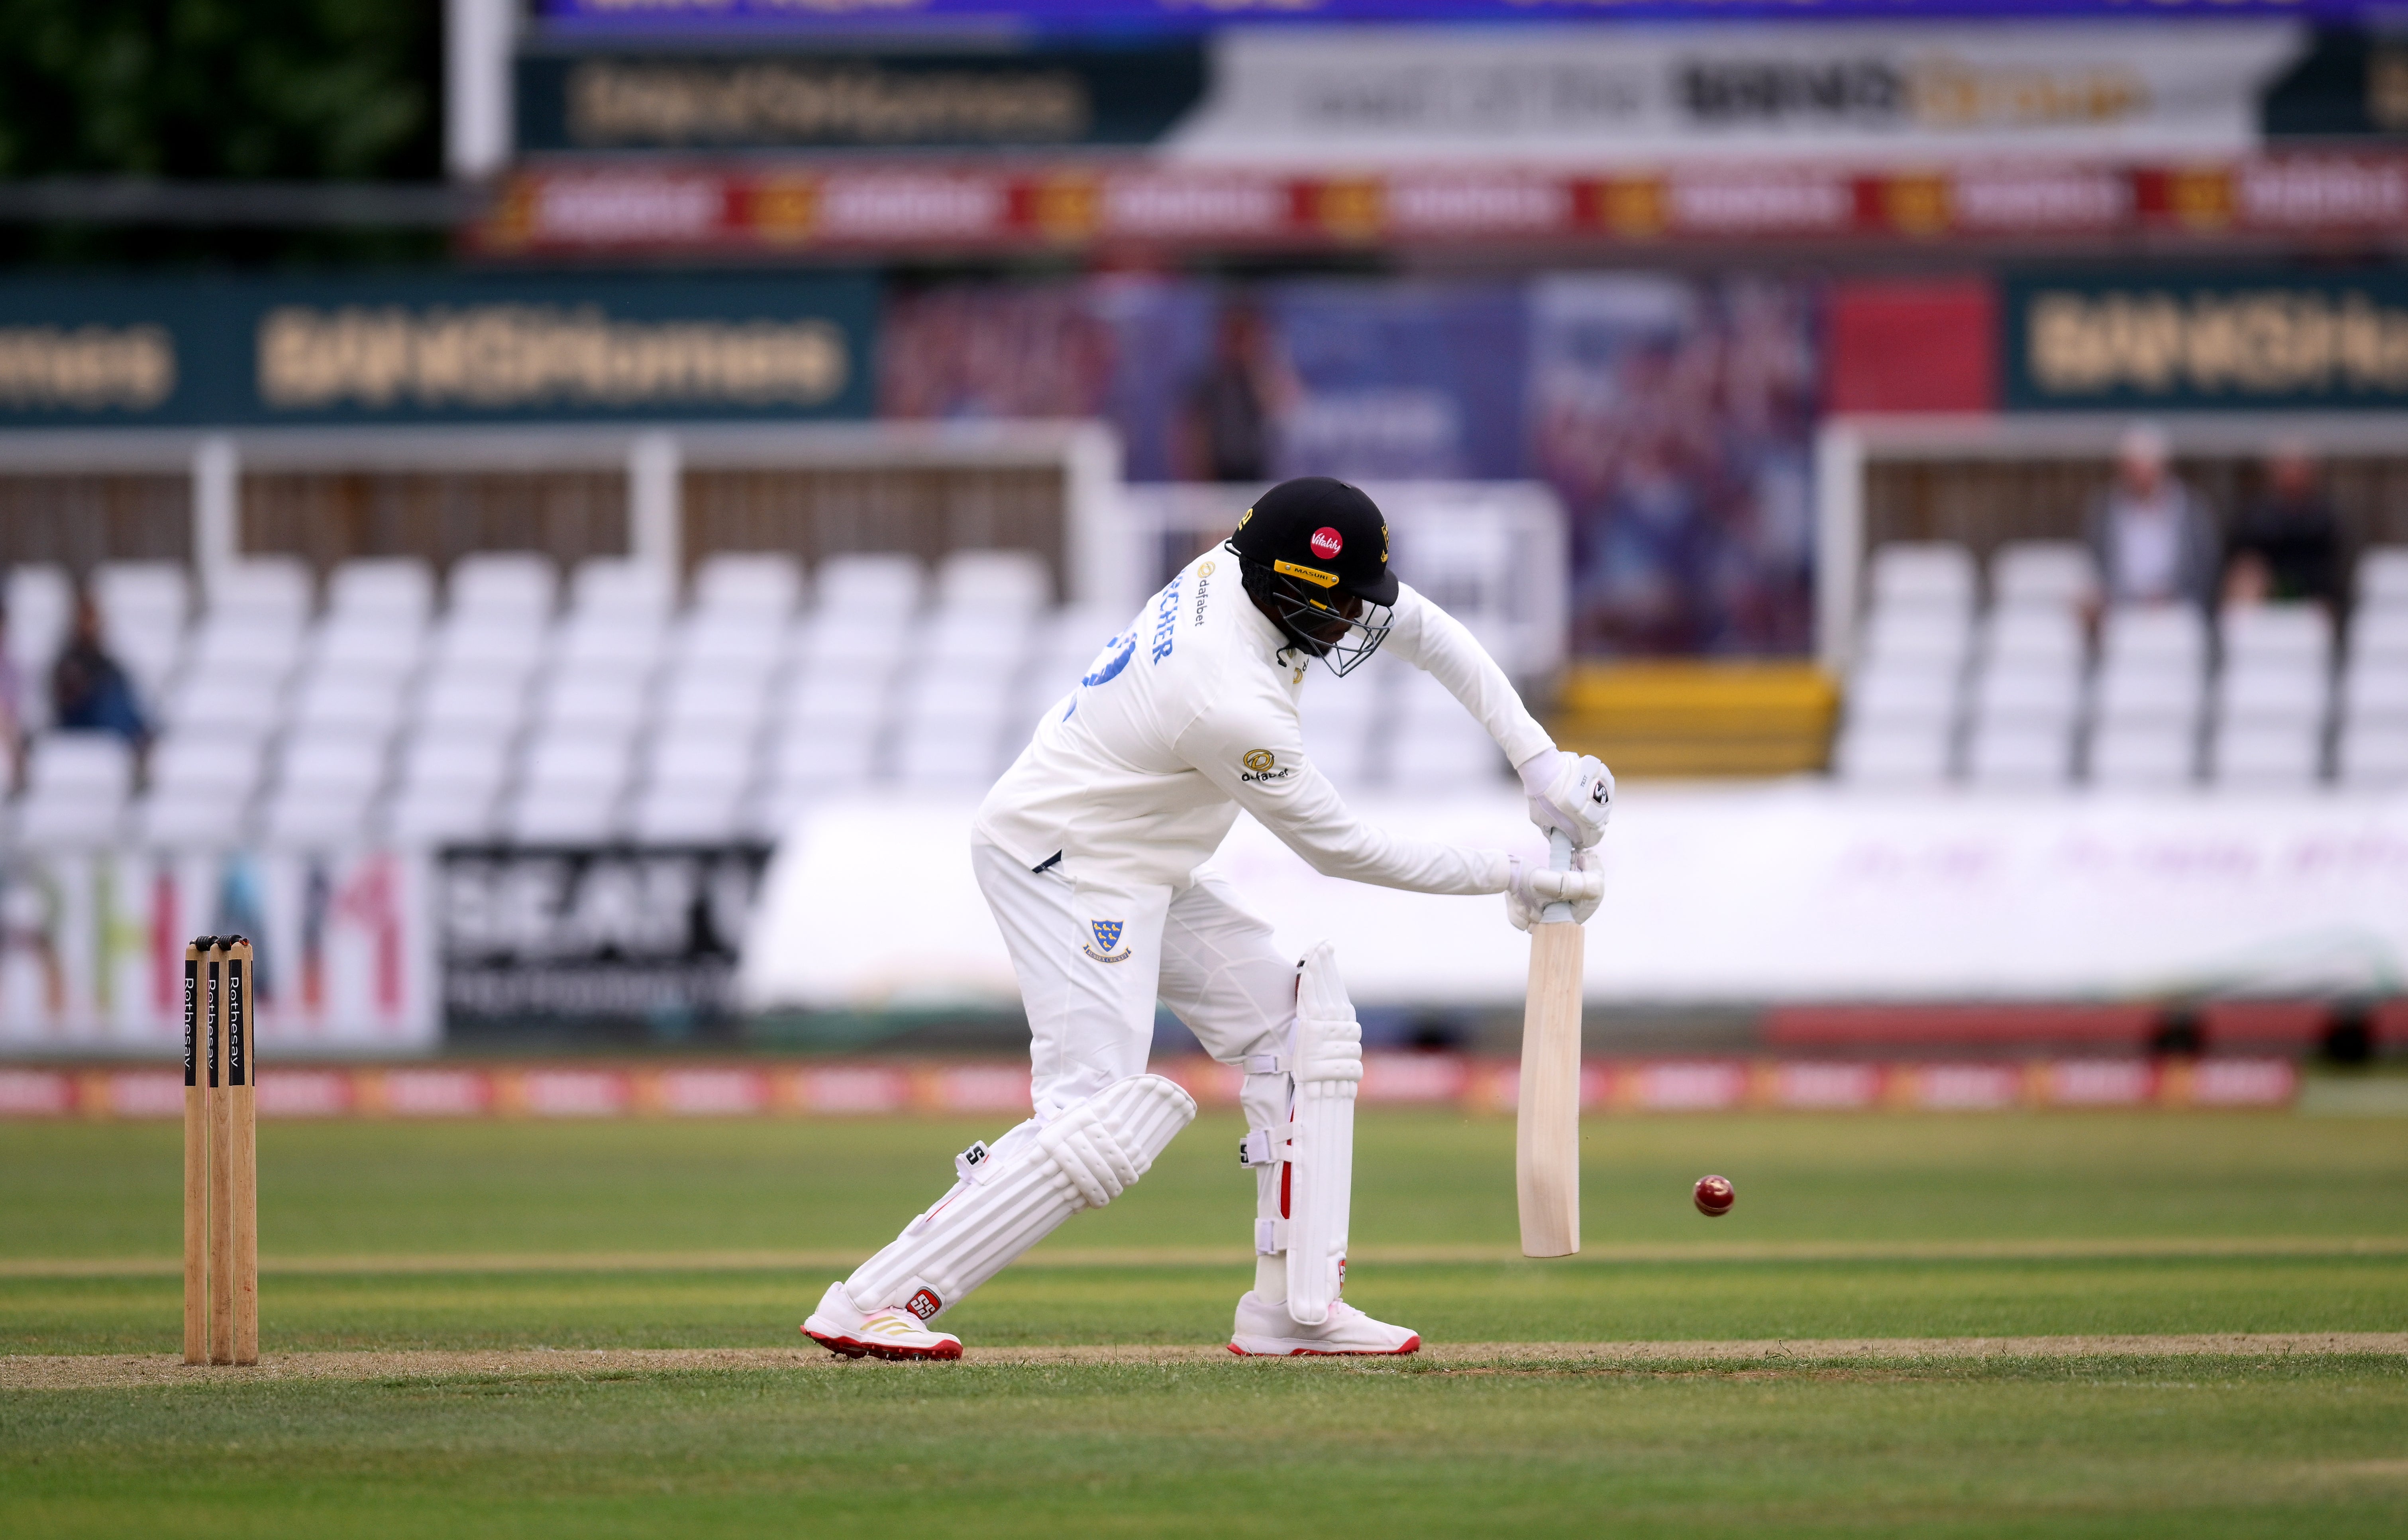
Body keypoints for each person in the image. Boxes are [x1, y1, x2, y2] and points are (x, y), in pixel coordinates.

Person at [800, 477, 1612, 1360]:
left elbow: (1427, 630)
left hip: (1145, 859)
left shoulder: (1261, 571)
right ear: (1287, 587)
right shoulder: (1222, 695)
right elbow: (1340, 848)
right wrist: (1513, 871)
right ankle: (874, 1300)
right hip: (1067, 863)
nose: (1358, 625)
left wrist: (1539, 763)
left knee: (1303, 1035)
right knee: (1098, 1122)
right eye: (1340, 608)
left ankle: (1292, 1311)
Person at [2084, 425, 2219, 612]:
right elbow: (2096, 560)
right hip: (2120, 604)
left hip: (2180, 603)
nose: (2138, 474)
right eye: (2132, 467)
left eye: (2144, 466)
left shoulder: (2191, 508)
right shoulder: (2105, 509)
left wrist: (2173, 595)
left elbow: (2205, 563)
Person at [2223, 442, 2342, 610]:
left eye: (2298, 467)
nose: (2292, 475)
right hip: (2264, 593)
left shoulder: (2326, 520)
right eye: (2286, 467)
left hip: (2312, 593)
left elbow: (2333, 572)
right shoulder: (2254, 517)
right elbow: (2241, 559)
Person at [50, 592, 148, 748]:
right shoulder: (68, 661)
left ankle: (140, 732)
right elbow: (66, 702)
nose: (92, 625)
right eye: (87, 619)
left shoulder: (107, 661)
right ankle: (139, 735)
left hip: (107, 721)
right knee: (110, 700)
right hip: (80, 721)